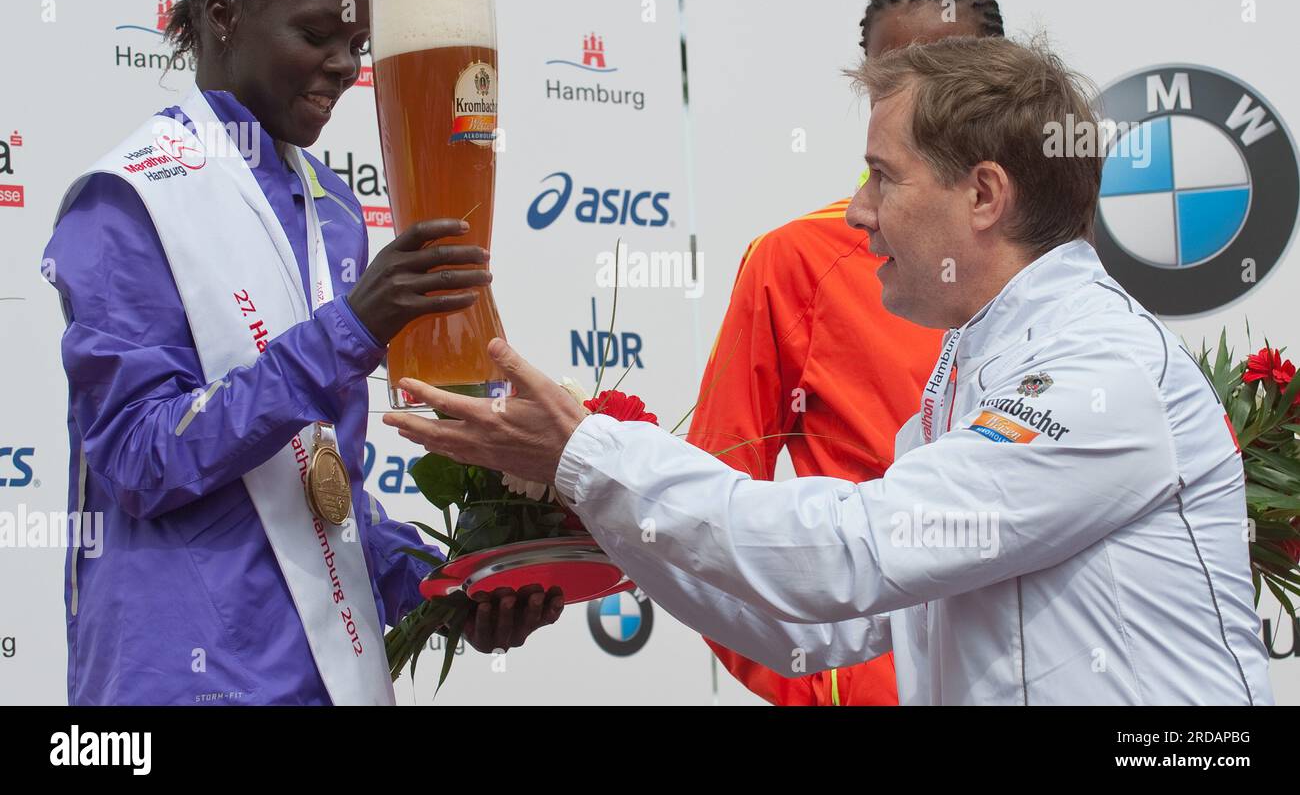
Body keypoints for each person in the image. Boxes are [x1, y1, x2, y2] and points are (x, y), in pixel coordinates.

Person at [386, 35, 1274, 705]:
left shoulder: (1094, 371)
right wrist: (587, 506)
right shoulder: (980, 362)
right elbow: (818, 622)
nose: (855, 213)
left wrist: (588, 454)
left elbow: (850, 554)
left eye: (883, 179)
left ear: (985, 196)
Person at [43, 0, 560, 706]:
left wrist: (447, 587)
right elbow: (141, 460)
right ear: (223, 17)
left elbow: (321, 483)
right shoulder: (130, 198)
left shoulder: (335, 208)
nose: (348, 66)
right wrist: (352, 328)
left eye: (357, 42)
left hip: (326, 679)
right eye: (317, 35)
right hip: (180, 678)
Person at [689, 0, 1001, 706]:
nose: (923, 99)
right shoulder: (797, 261)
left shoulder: (1055, 263)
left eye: (951, 71)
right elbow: (709, 506)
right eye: (893, 78)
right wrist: (836, 687)